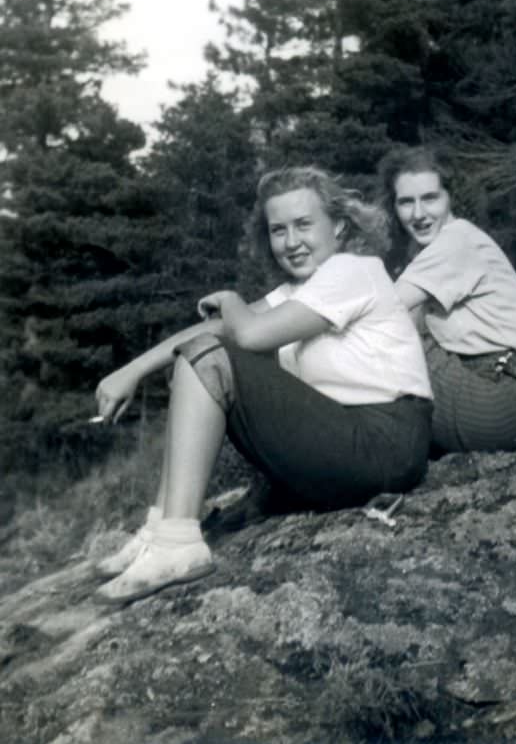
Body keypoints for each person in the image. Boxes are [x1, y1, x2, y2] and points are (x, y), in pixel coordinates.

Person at [94, 166, 433, 604]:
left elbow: (245, 334)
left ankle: (178, 544)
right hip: (348, 440)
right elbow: (215, 333)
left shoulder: (354, 270)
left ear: (340, 226)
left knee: (210, 358)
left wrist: (232, 301)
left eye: (304, 225)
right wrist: (132, 370)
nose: (291, 242)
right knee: (200, 352)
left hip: (386, 441)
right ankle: (162, 528)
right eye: (278, 230)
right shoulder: (300, 291)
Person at [377, 145, 516, 456]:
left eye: (430, 198)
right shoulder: (435, 248)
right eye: (406, 202)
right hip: (505, 395)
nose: (418, 214)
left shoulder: (457, 240)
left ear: (450, 197)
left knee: (384, 333)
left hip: (497, 393)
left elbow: (382, 309)